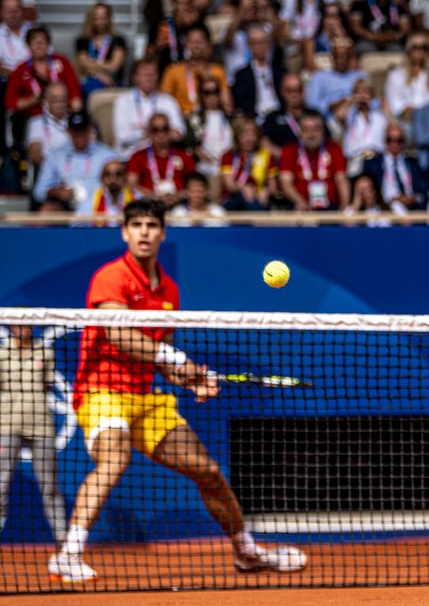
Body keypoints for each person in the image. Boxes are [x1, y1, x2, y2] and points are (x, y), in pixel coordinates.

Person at [48, 199, 307, 582]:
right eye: (136, 225)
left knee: (208, 471)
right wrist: (174, 357)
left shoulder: (168, 288)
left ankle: (247, 553)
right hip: (102, 390)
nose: (145, 232)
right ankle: (68, 555)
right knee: (114, 459)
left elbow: (160, 361)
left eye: (152, 225)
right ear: (125, 232)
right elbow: (119, 336)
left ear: (162, 233)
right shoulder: (111, 277)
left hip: (148, 398)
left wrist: (191, 378)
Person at [0, 318, 67, 546]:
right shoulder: (1, 354)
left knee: (50, 487)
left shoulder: (45, 352)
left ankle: (63, 542)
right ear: (10, 327)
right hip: (8, 425)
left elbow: (47, 385)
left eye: (27, 324)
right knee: (1, 484)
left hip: (42, 426)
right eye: (18, 324)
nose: (23, 328)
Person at [33, 112, 116, 213]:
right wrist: (56, 192)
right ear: (68, 132)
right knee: (46, 211)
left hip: (98, 206)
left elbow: (118, 185)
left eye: (83, 131)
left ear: (90, 130)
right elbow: (39, 191)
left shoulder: (107, 155)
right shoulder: (55, 156)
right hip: (67, 207)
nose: (80, 135)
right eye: (75, 131)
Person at [278, 112, 349, 212]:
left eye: (316, 129)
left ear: (322, 131)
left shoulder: (334, 149)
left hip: (331, 208)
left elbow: (341, 179)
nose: (311, 134)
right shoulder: (289, 150)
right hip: (301, 207)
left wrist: (344, 207)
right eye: (306, 130)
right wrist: (300, 201)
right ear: (300, 132)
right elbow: (286, 183)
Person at [125, 113, 196, 209]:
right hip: (148, 206)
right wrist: (153, 196)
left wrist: (178, 196)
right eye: (155, 130)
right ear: (149, 133)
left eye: (165, 129)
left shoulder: (184, 155)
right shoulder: (137, 156)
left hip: (180, 206)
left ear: (170, 131)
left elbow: (194, 183)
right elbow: (132, 184)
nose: (161, 134)